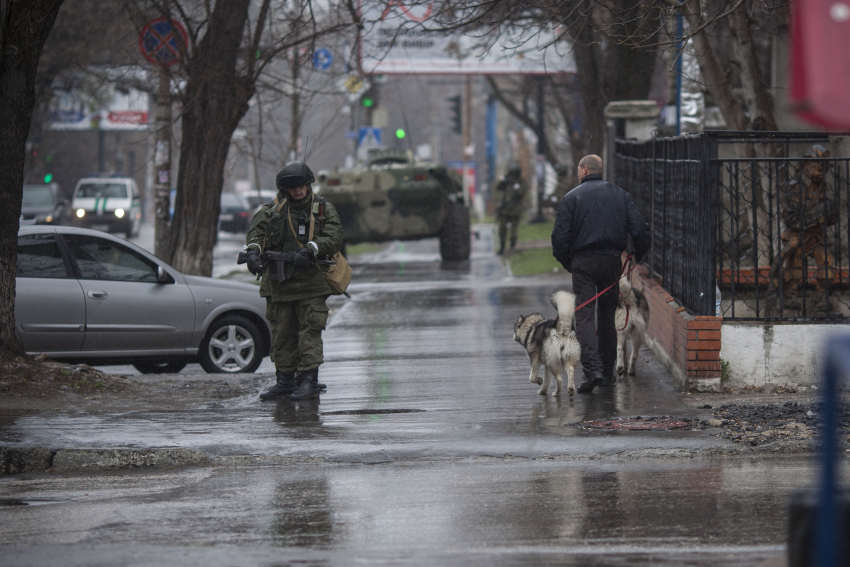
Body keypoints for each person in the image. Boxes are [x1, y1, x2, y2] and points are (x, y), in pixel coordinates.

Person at [551, 155, 651, 394]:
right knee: (607, 315)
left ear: (585, 169)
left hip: (583, 262)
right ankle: (606, 372)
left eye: (578, 169)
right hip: (611, 262)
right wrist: (637, 254)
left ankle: (592, 370)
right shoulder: (620, 195)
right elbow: (640, 229)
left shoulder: (571, 198)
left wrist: (569, 262)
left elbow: (559, 239)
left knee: (584, 315)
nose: (577, 174)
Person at [244, 161, 343, 401]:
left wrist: (311, 249)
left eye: (302, 186)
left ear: (309, 185)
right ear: (285, 188)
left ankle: (309, 380)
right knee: (282, 334)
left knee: (309, 332)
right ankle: (285, 381)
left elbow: (334, 235)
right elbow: (256, 233)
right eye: (293, 187)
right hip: (279, 283)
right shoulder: (273, 209)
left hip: (310, 282)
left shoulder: (322, 209)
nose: (298, 191)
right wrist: (253, 252)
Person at [494, 166, 528, 255]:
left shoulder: (521, 183)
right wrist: (504, 180)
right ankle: (502, 247)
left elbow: (521, 192)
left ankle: (512, 245)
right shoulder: (507, 182)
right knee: (502, 230)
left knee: (513, 231)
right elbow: (498, 187)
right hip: (505, 210)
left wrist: (515, 184)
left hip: (515, 210)